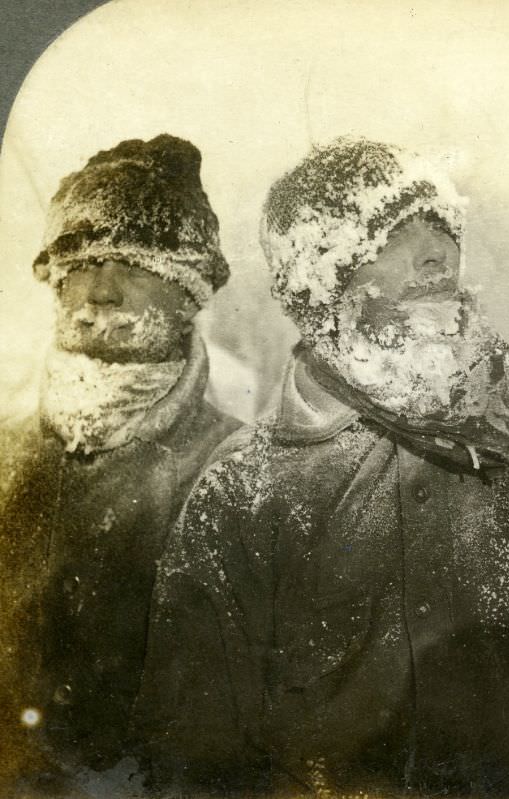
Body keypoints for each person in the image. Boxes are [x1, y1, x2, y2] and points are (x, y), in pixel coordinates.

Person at [136, 138, 509, 796]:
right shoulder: (246, 490)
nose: (436, 251)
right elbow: (194, 760)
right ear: (323, 274)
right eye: (396, 230)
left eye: (442, 226)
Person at [0, 134, 241, 792]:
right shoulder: (3, 457)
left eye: (133, 264)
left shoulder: (243, 471)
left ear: (187, 291)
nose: (101, 290)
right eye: (81, 262)